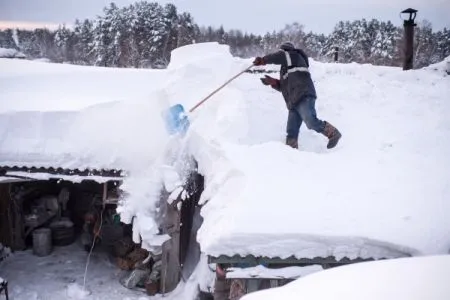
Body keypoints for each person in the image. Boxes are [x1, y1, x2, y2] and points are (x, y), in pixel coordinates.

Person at [253, 42, 342, 149]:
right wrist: (274, 83)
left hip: (304, 94)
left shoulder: (294, 56)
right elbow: (285, 87)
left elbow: (280, 56)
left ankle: (333, 133)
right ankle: (291, 153)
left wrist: (263, 60)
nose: (281, 53)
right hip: (293, 101)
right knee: (291, 132)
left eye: (282, 51)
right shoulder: (286, 67)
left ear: (286, 50)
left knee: (310, 121)